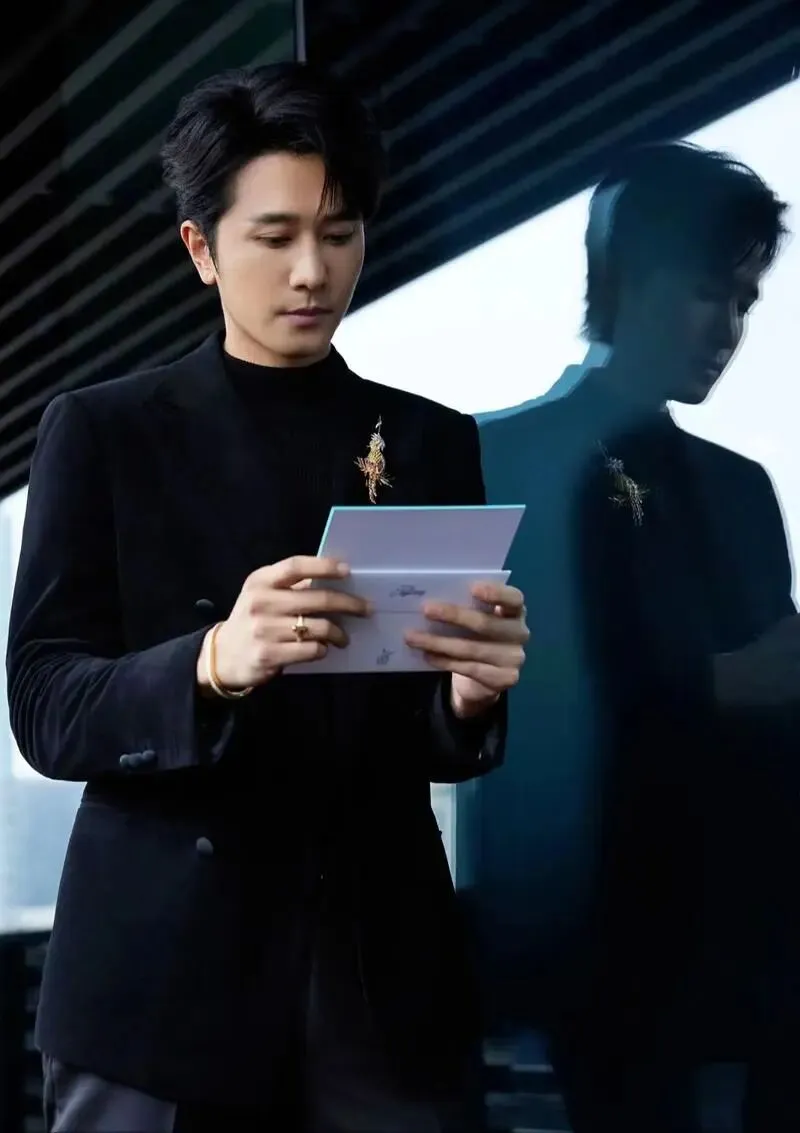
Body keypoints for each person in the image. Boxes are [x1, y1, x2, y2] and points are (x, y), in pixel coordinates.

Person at [6, 62, 529, 1133]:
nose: (311, 270)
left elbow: (422, 734)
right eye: (275, 235)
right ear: (201, 248)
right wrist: (210, 661)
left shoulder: (427, 440)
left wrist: (470, 697)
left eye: (339, 233)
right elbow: (46, 706)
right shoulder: (104, 430)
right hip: (160, 985)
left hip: (380, 975)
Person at [474, 142, 795, 1131]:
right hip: (594, 944)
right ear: (627, 279)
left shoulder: (740, 488)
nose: (727, 329)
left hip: (750, 942)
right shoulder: (496, 455)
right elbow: (504, 694)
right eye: (706, 293)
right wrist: (721, 682)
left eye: (743, 300)